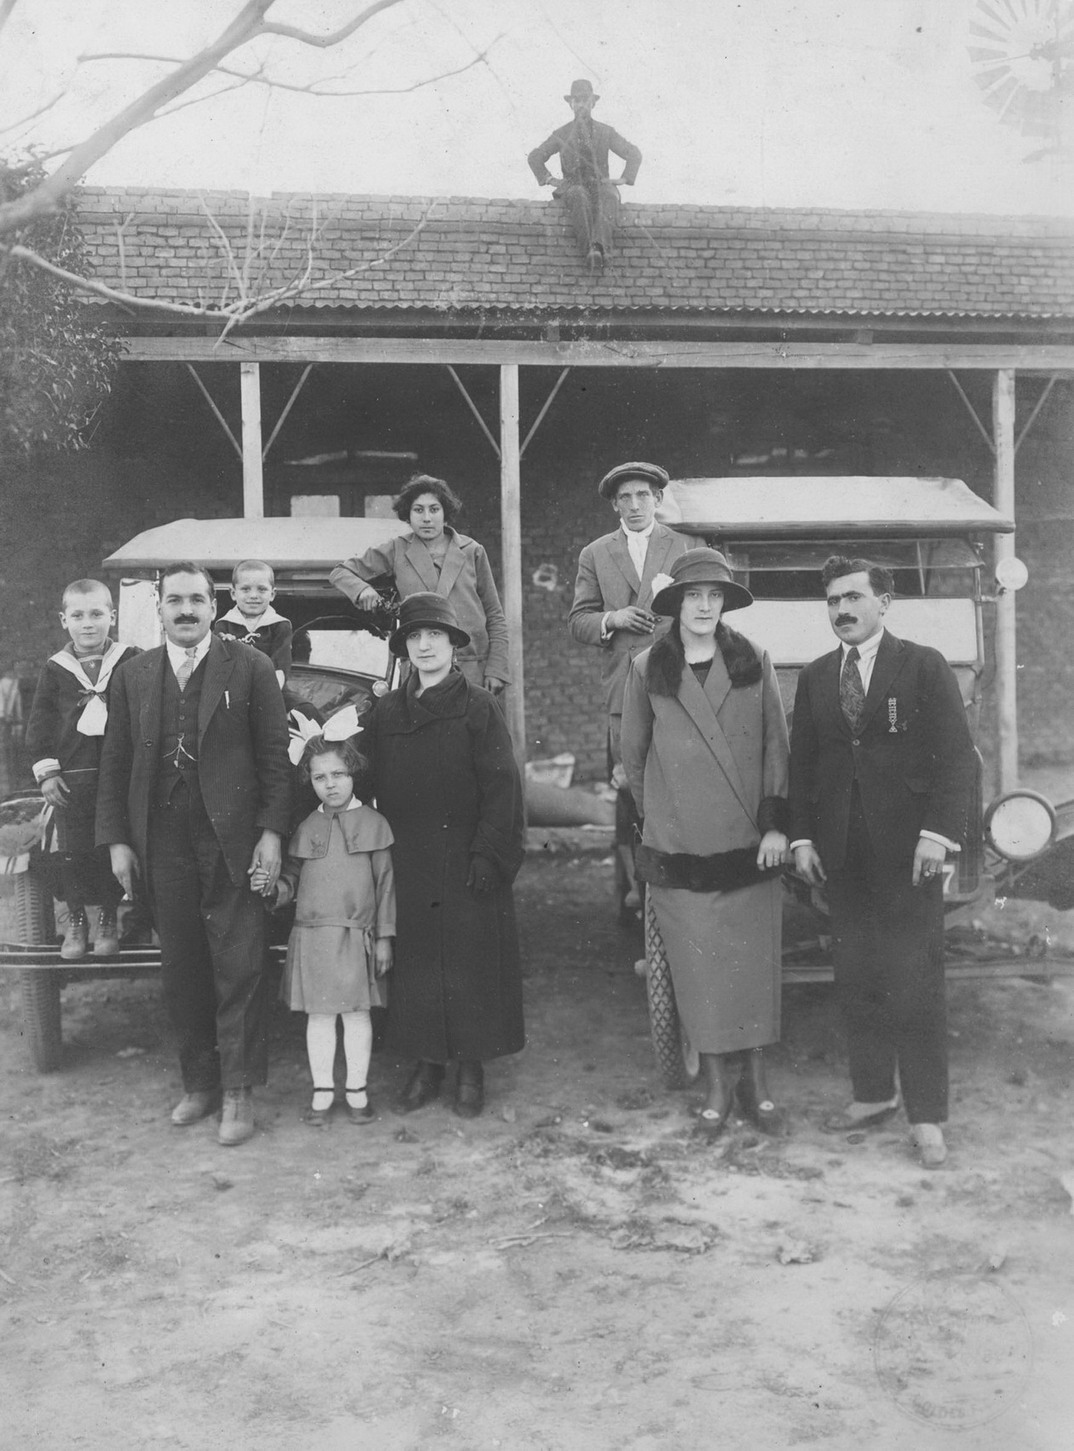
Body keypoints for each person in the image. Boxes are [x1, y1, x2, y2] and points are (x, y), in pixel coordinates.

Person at [788, 555, 976, 1169]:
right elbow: (803, 766)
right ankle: (872, 1095)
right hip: (842, 856)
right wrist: (802, 838)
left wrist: (937, 835)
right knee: (858, 976)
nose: (842, 610)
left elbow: (956, 758)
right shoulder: (817, 676)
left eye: (853, 597)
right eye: (833, 601)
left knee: (915, 982)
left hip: (908, 856)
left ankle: (926, 1117)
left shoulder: (922, 666)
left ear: (884, 602)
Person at [96, 561, 292, 1146]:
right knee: (182, 966)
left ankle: (238, 1091)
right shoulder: (133, 675)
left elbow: (275, 757)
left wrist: (271, 834)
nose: (185, 611)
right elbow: (115, 763)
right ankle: (200, 1082)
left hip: (231, 840)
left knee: (240, 964)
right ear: (158, 608)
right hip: (161, 841)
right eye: (175, 600)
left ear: (214, 605)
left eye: (197, 600)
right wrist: (118, 841)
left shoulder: (250, 666)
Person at [622, 549, 791, 1137]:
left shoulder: (753, 659)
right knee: (698, 971)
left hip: (749, 844)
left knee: (752, 969)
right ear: (675, 604)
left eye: (714, 596)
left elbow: (776, 744)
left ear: (724, 604)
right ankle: (718, 1083)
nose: (703, 606)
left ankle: (756, 1083)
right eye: (693, 596)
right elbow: (634, 755)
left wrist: (775, 823)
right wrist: (664, 819)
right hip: (682, 850)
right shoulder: (647, 667)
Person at [367, 592, 524, 1119]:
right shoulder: (387, 711)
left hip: (465, 856)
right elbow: (364, 777)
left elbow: (503, 786)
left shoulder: (479, 706)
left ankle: (470, 1068)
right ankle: (427, 1064)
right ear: (404, 648)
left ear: (455, 645)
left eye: (435, 635)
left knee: (467, 961)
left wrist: (489, 855)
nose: (425, 645)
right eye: (414, 636)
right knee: (416, 963)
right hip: (408, 858)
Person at [257, 735, 395, 1128]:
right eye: (320, 778)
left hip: (355, 936)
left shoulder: (374, 824)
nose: (330, 784)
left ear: (354, 774)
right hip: (313, 937)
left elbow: (385, 886)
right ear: (310, 781)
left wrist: (384, 937)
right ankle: (321, 1093)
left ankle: (357, 1092)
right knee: (318, 1017)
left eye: (338, 774)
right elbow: (292, 880)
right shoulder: (306, 826)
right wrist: (272, 888)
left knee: (356, 1015)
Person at [25, 580, 140, 960]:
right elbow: (40, 724)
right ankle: (76, 918)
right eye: (78, 615)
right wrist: (48, 773)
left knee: (113, 845)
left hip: (119, 778)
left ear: (113, 616)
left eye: (96, 614)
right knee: (73, 852)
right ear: (64, 620)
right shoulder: (55, 669)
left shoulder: (130, 660)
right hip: (73, 781)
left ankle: (108, 915)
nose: (88, 623)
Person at [331, 475, 510, 695]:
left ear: (445, 513)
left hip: (472, 667)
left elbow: (494, 614)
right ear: (408, 514)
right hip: (421, 670)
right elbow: (340, 572)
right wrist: (362, 590)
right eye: (418, 510)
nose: (426, 518)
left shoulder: (472, 551)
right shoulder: (397, 549)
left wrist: (496, 668)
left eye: (434, 510)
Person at [528, 78, 642, 271]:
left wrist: (624, 178)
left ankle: (599, 247)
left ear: (593, 103)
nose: (581, 104)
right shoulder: (561, 133)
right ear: (571, 104)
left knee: (610, 196)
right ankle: (589, 250)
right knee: (578, 195)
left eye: (585, 100)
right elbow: (535, 157)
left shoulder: (606, 132)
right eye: (577, 100)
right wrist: (549, 179)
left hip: (600, 184)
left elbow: (633, 153)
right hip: (573, 185)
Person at [215, 559, 293, 686]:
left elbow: (280, 666)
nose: (253, 595)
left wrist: (268, 692)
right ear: (233, 593)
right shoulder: (223, 625)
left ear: (272, 594)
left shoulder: (280, 625)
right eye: (245, 589)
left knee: (299, 700)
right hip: (234, 687)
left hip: (271, 687)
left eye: (262, 589)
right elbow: (217, 664)